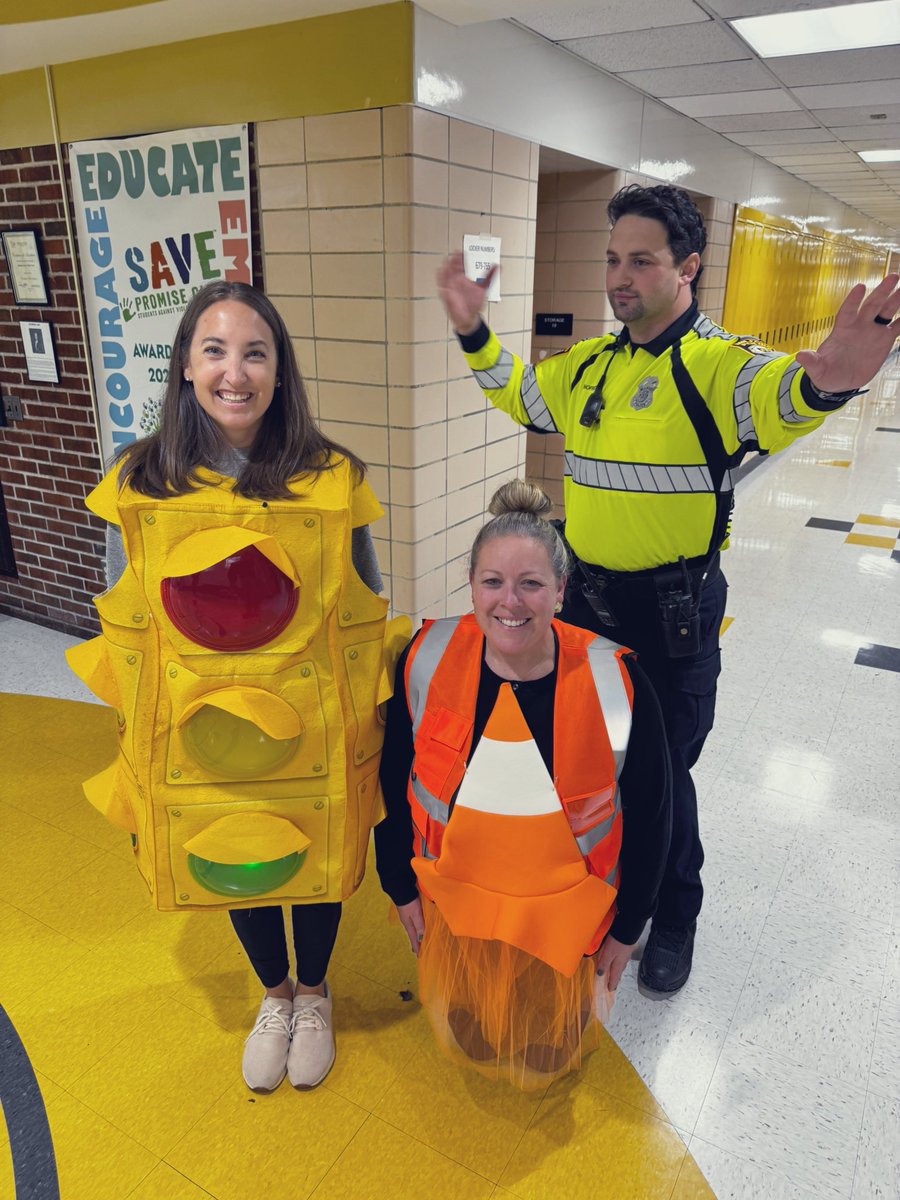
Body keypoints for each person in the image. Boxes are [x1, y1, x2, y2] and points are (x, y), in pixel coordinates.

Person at [437, 184, 900, 997]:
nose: (620, 276)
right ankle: (616, 893)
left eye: (641, 260)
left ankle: (675, 915)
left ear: (688, 267)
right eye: (613, 259)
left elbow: (782, 395)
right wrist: (473, 328)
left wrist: (831, 386)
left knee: (665, 772)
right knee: (590, 761)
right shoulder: (589, 368)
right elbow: (519, 391)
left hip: (673, 616)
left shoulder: (718, 366)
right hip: (582, 611)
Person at [67, 280, 401, 1095]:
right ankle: (274, 995)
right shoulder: (140, 482)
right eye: (214, 350)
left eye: (256, 352)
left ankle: (314, 993)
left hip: (309, 722)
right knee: (234, 848)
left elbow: (363, 601)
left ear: (281, 372)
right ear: (185, 365)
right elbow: (130, 618)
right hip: (203, 729)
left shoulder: (329, 478)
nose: (235, 372)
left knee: (308, 849)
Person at [375, 480, 672, 1089]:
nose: (510, 602)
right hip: (457, 915)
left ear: (561, 592)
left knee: (547, 1051)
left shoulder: (615, 682)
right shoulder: (426, 657)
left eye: (531, 583)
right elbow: (392, 776)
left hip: (566, 926)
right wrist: (398, 883)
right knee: (475, 1035)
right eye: (493, 582)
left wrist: (629, 925)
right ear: (471, 585)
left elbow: (653, 815)